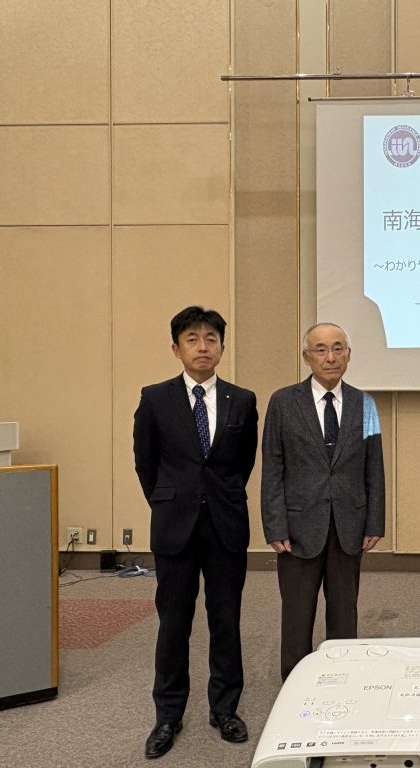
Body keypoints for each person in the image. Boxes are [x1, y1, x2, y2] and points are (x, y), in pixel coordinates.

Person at [133, 306, 259, 759]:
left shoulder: (242, 400)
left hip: (226, 524)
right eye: (192, 339)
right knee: (174, 624)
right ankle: (168, 715)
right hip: (175, 526)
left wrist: (219, 496)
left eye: (210, 338)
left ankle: (225, 709)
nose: (202, 346)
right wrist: (170, 501)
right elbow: (145, 463)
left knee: (226, 620)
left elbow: (243, 463)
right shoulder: (155, 398)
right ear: (176, 348)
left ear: (222, 347)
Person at [261, 322, 385, 680]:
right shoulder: (283, 402)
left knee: (345, 613)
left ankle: (342, 681)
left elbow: (374, 466)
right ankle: (295, 685)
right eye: (321, 349)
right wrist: (275, 525)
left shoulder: (365, 403)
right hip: (298, 527)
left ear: (348, 355)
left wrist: (375, 521)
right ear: (307, 357)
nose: (330, 357)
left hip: (349, 524)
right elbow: (273, 467)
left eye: (338, 348)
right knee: (297, 615)